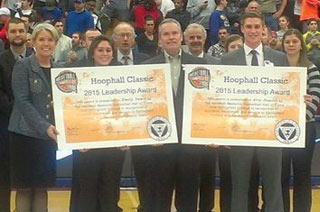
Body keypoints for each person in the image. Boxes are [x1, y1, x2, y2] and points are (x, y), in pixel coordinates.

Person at [221, 11, 288, 212]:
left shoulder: (280, 58)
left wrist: (299, 97)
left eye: (256, 27)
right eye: (248, 27)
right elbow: (222, 98)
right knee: (240, 187)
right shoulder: (228, 59)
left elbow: (286, 92)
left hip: (271, 132)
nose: (252, 31)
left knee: (273, 186)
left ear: (263, 29)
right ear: (241, 29)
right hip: (240, 133)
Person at [139, 18, 206, 212]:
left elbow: (207, 103)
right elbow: (142, 105)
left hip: (190, 146)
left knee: (188, 200)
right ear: (159, 40)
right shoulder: (148, 67)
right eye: (166, 34)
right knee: (158, 201)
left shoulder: (199, 65)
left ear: (181, 37)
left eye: (174, 33)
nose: (171, 37)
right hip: (159, 145)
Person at [70, 35, 126, 212]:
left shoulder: (123, 74)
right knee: (86, 191)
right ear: (92, 53)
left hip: (114, 145)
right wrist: (77, 138)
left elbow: (130, 108)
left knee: (110, 189)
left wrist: (128, 136)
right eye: (100, 50)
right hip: (86, 144)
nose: (104, 53)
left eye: (108, 50)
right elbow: (71, 108)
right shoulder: (78, 73)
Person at [8, 22, 59, 212]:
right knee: (24, 188)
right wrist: (45, 126)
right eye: (42, 39)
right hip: (24, 136)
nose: (46, 43)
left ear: (55, 42)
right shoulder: (23, 65)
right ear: (33, 42)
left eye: (50, 39)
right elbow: (22, 101)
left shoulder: (59, 68)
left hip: (47, 138)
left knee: (41, 187)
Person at [281, 28, 320, 212]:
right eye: (287, 41)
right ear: (283, 44)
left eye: (294, 42)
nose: (290, 45)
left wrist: (296, 121)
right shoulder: (275, 68)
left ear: (301, 45)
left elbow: (314, 100)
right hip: (278, 130)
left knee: (302, 175)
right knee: (279, 175)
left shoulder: (311, 69)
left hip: (305, 128)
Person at [183, 22, 219, 212]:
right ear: (185, 39)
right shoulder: (179, 63)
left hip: (209, 132)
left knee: (208, 176)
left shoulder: (216, 64)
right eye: (192, 37)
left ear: (205, 39)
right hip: (185, 133)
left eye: (199, 37)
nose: (196, 41)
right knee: (187, 179)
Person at [0, 17, 33, 212]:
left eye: (21, 30)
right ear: (7, 34)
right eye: (13, 31)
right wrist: (20, 109)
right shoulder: (0, 60)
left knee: (29, 180)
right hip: (5, 127)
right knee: (3, 179)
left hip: (32, 129)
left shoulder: (39, 58)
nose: (18, 34)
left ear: (27, 32)